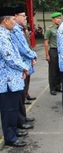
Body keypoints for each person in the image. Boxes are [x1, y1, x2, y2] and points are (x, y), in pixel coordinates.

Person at [0, 7, 28, 147]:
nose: (14, 22)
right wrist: (24, 67)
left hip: (13, 79)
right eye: (12, 19)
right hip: (7, 82)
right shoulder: (1, 36)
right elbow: (9, 57)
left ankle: (14, 132)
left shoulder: (7, 33)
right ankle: (10, 138)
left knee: (13, 109)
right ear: (5, 20)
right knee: (8, 110)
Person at [11, 6, 37, 130]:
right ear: (15, 17)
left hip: (25, 66)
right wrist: (33, 55)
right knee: (19, 96)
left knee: (23, 94)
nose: (25, 17)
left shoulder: (21, 29)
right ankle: (20, 121)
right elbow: (22, 48)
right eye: (23, 15)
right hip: (21, 68)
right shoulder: (15, 30)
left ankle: (23, 117)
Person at [44, 12, 62, 95]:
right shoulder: (49, 29)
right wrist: (47, 54)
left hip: (61, 51)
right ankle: (52, 88)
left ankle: (58, 86)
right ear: (53, 19)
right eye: (57, 18)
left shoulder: (61, 28)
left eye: (60, 18)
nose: (59, 20)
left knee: (59, 70)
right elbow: (46, 42)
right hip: (53, 51)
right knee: (52, 71)